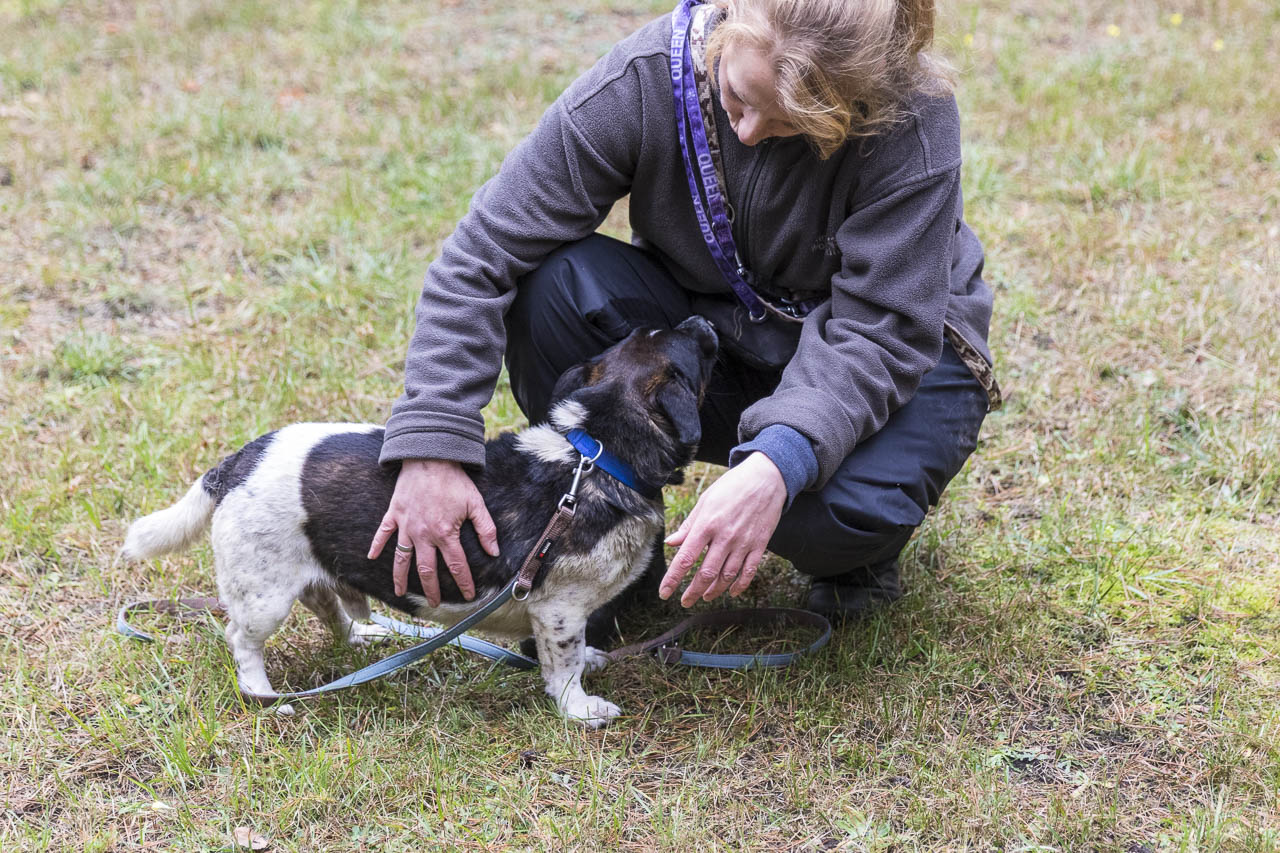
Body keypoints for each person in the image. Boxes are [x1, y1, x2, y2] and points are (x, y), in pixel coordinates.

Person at [366, 0, 1000, 626]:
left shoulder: (909, 115)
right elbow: (486, 250)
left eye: (787, 126)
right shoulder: (646, 76)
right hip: (716, 336)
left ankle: (849, 560)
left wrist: (779, 462)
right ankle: (608, 526)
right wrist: (434, 444)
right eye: (738, 99)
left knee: (841, 513)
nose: (748, 134)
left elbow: (880, 333)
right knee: (551, 287)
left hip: (893, 358)